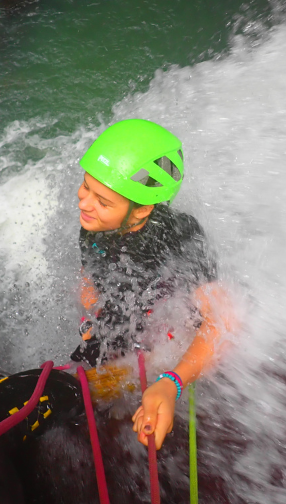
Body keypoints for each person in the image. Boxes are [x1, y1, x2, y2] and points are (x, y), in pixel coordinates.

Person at [70, 118, 233, 450]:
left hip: (170, 341)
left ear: (142, 208)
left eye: (102, 201)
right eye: (86, 187)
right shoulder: (94, 227)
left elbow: (225, 321)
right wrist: (91, 314)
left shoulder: (180, 239)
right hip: (123, 326)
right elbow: (89, 281)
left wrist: (171, 382)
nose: (84, 203)